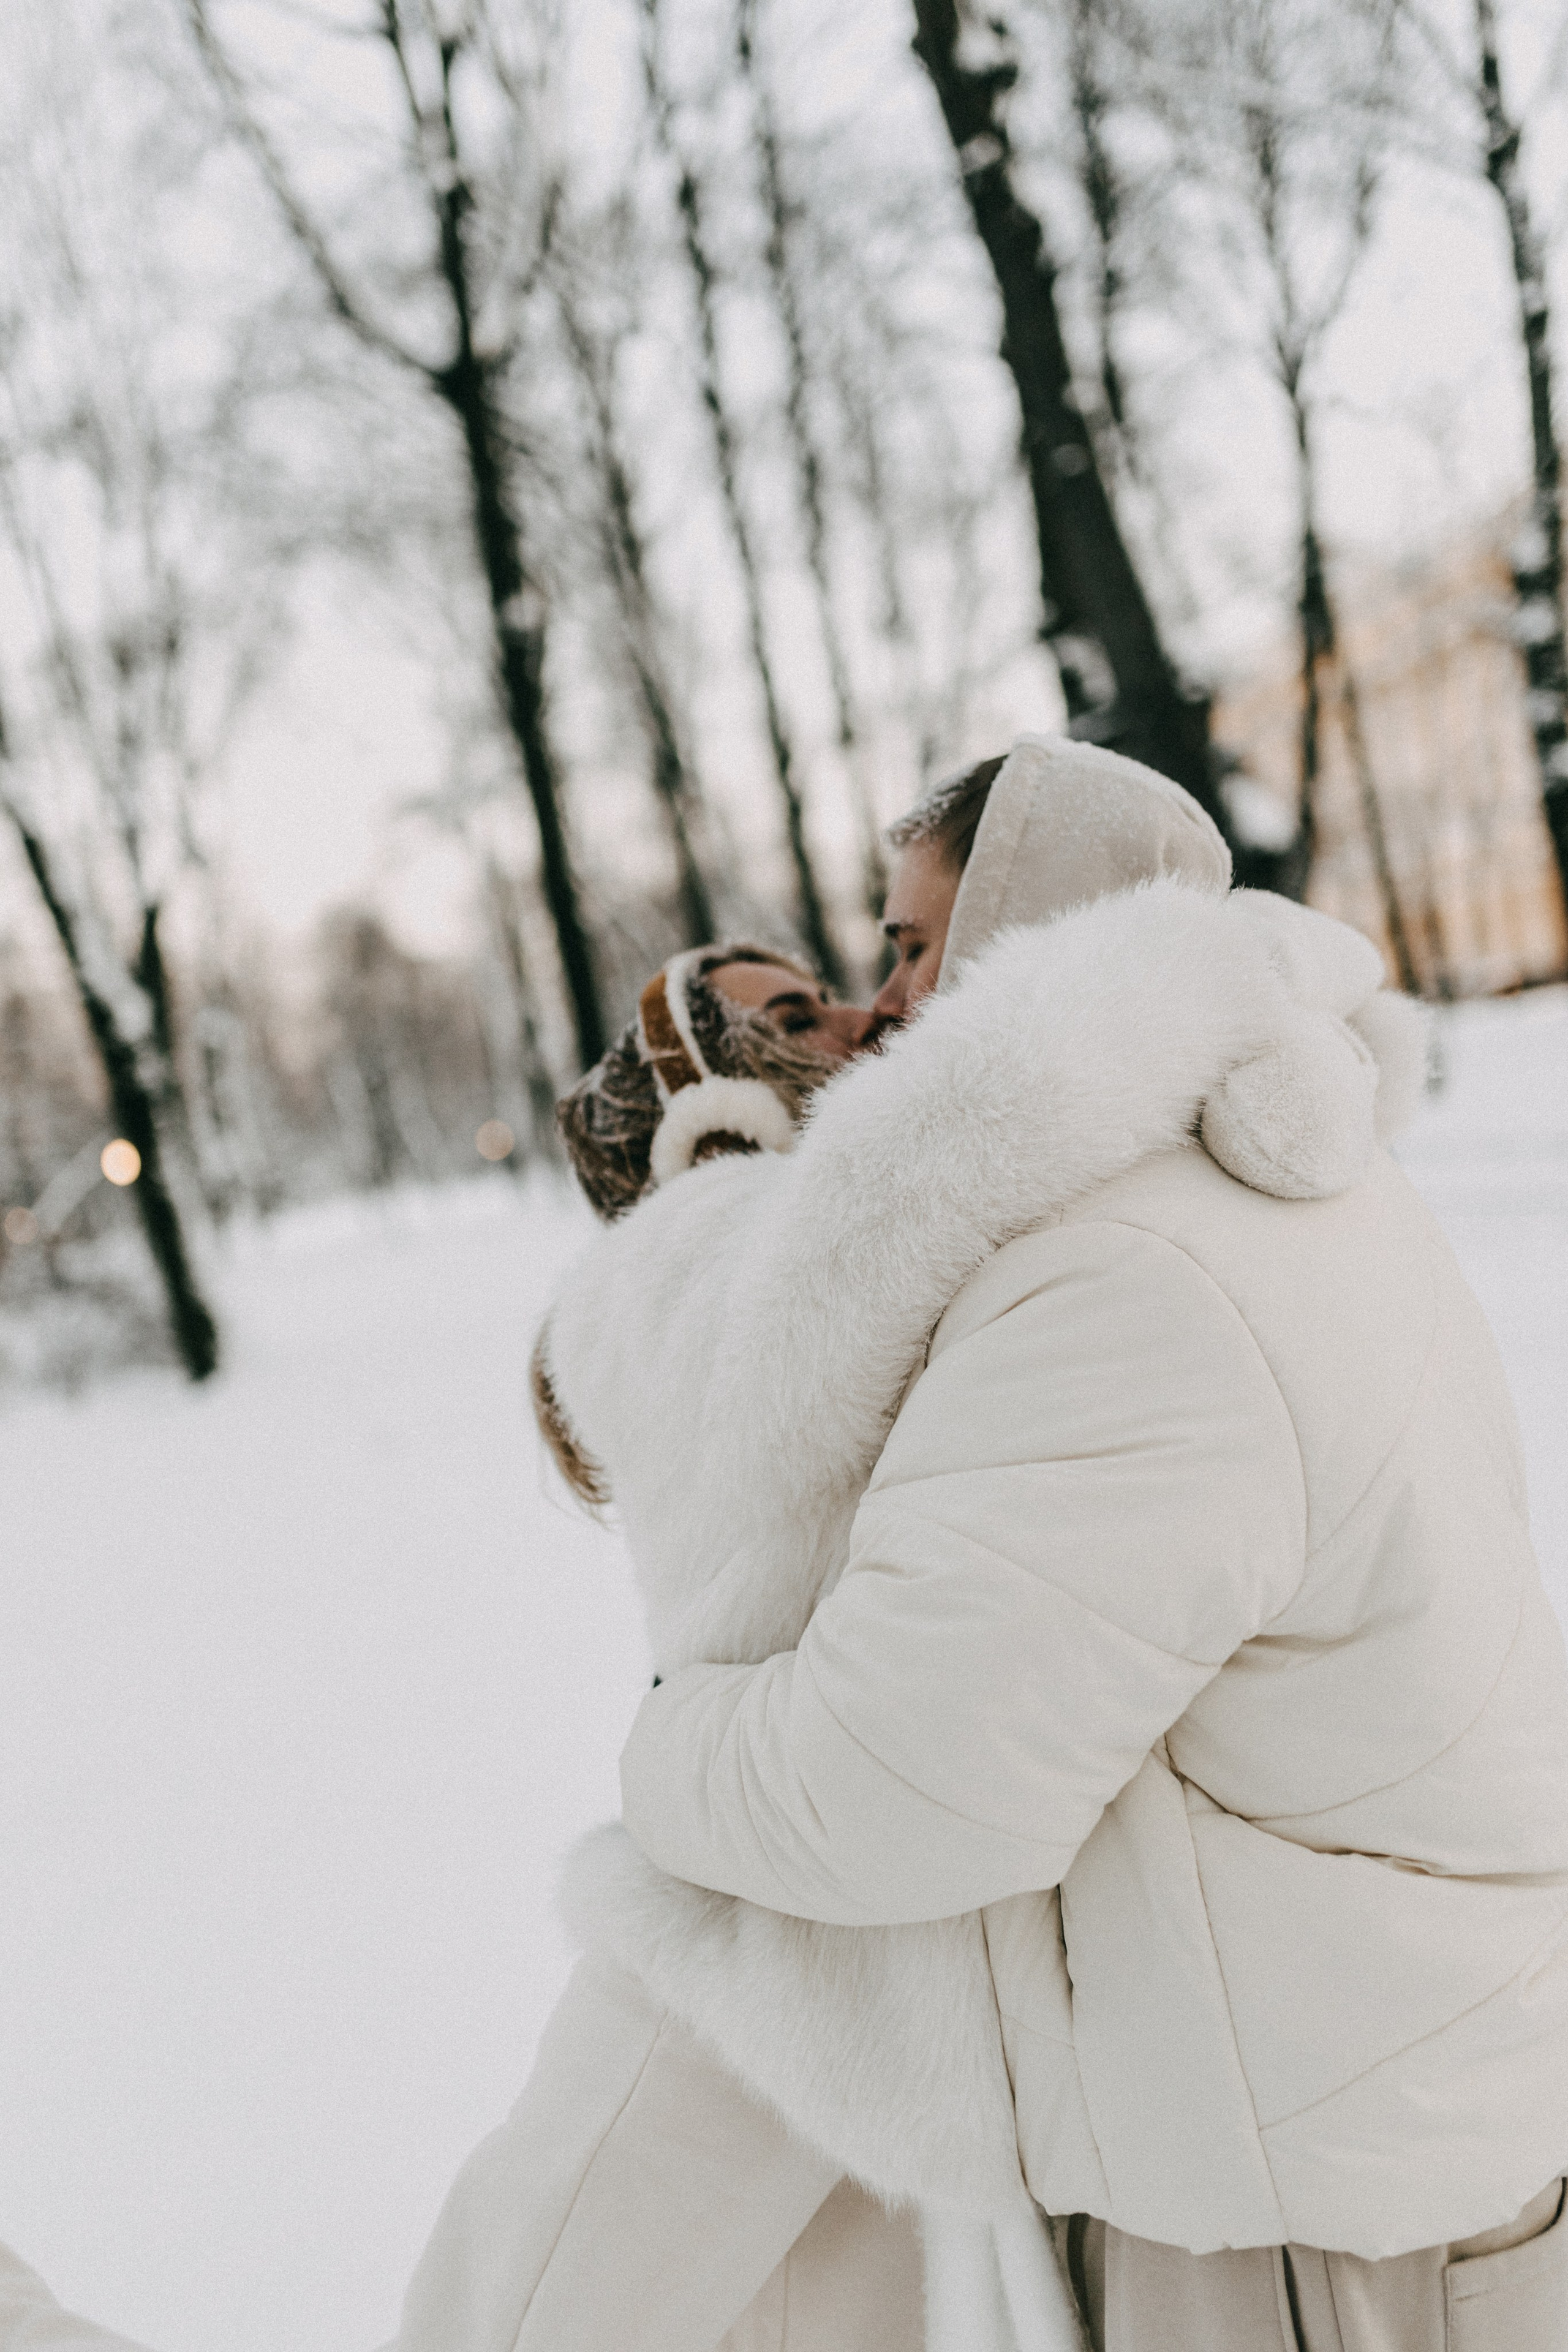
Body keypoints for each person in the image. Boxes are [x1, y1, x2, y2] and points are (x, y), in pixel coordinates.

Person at [393, 735, 1427, 2352]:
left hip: (904, 1947)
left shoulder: (966, 1249)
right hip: (766, 1939)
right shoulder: (746, 1266)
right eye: (799, 1017)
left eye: (868, 974)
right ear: (709, 1105)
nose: (872, 1019)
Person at [611, 734, 1568, 2351]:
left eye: (915, 949)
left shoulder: (1127, 1269)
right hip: (1376, 2113)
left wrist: (662, 1750)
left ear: (1031, 929)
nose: (885, 1013)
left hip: (1307, 2226)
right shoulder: (1273, 1171)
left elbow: (892, 1787)